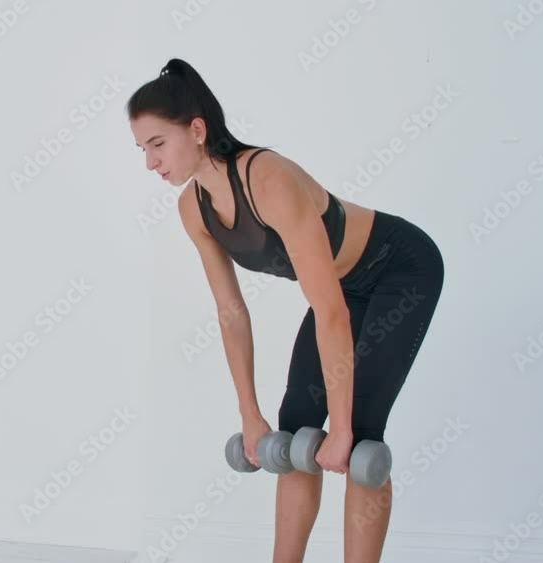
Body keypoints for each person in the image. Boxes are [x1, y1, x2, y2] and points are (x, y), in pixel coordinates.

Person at [126, 58, 444, 563]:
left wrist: (339, 429)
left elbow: (330, 312)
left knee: (361, 439)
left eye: (158, 144)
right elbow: (231, 313)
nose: (150, 162)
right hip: (342, 289)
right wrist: (250, 415)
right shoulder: (194, 210)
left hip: (399, 270)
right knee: (294, 430)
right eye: (142, 149)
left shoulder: (268, 180)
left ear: (198, 129)